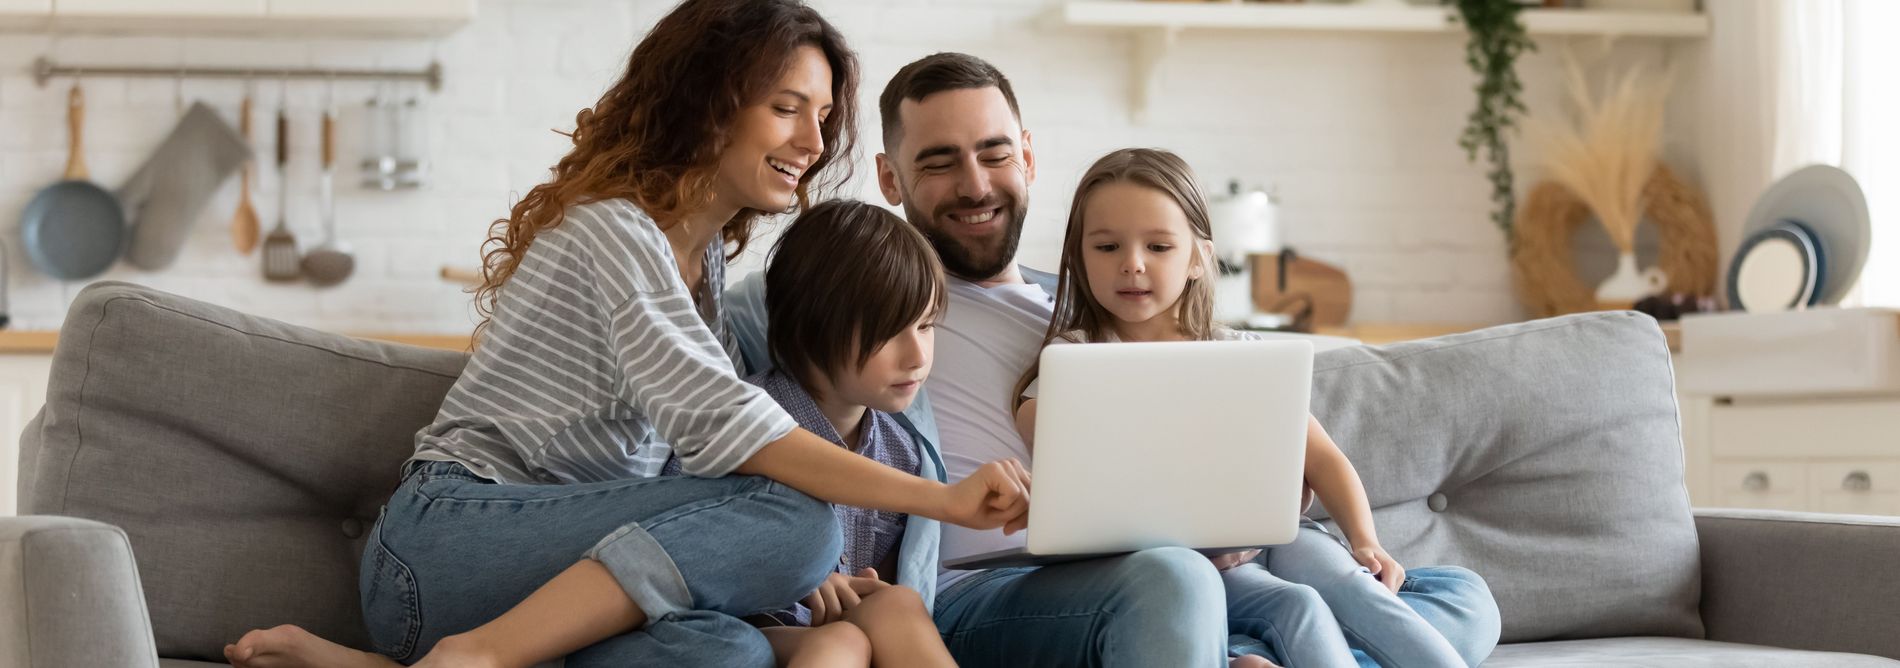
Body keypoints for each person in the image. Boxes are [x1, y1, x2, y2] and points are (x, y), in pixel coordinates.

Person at [222, 4, 1027, 667]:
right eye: (785, 109)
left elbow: (698, 459)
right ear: (707, 103)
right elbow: (730, 432)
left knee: (728, 657)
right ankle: (482, 657)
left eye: (820, 116)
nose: (814, 145)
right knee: (801, 521)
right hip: (446, 547)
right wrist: (943, 497)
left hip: (563, 577)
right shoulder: (615, 233)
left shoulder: (707, 264)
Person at [732, 51, 1500, 668]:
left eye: (994, 154)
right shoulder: (858, 301)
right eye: (939, 162)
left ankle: (1247, 650)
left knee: (1464, 595)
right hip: (988, 590)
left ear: (1027, 157)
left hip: (1175, 567)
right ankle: (1246, 646)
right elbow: (742, 424)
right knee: (1180, 576)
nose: (975, 185)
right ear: (891, 180)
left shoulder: (1095, 306)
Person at [1012, 147, 1475, 668]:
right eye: (1107, 246)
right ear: (1077, 256)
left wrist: (1366, 542)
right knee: (1296, 606)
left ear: (1197, 259)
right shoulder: (1074, 363)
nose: (1132, 263)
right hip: (1182, 566)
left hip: (1279, 534)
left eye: (1159, 246)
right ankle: (1248, 654)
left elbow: (1322, 460)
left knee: (1357, 586)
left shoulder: (1240, 353)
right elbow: (1071, 481)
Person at [680, 199, 961, 668]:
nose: (918, 355)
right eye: (890, 332)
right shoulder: (741, 419)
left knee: (896, 605)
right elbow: (678, 535)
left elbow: (883, 586)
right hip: (738, 630)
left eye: (926, 326)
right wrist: (795, 569)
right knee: (840, 644)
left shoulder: (902, 452)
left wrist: (864, 589)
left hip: (840, 630)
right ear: (813, 327)